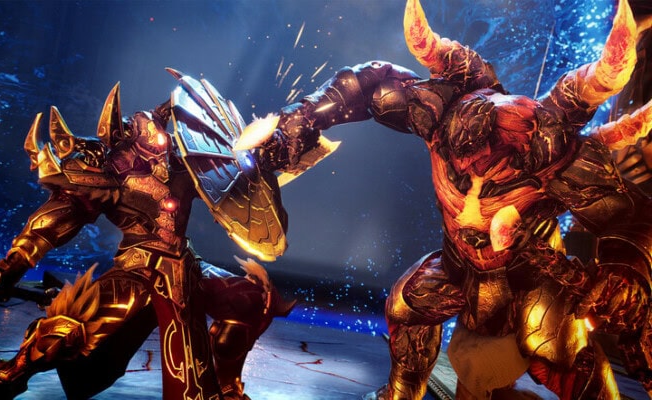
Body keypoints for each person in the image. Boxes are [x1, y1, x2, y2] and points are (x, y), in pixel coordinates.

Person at [238, 0, 652, 398]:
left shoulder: (555, 156)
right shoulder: (438, 116)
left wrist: (624, 274)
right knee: (407, 307)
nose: (473, 172)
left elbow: (631, 218)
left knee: (554, 347)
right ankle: (400, 395)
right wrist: (304, 118)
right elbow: (371, 84)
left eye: (490, 167)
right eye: (463, 161)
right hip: (458, 267)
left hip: (531, 279)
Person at [0, 71, 294, 400]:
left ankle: (228, 387)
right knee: (64, 333)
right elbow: (58, 217)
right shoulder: (110, 168)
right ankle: (1, 382)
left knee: (253, 299)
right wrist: (11, 267)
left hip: (187, 266)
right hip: (138, 271)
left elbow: (231, 182)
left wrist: (269, 152)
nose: (153, 130)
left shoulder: (180, 166)